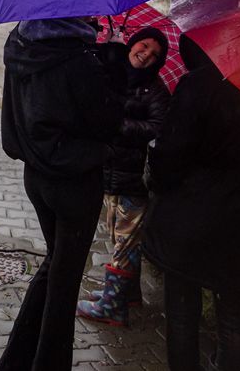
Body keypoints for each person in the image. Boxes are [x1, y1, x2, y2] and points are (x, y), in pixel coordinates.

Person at [141, 36, 240, 371]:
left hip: (193, 212)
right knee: (234, 314)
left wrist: (157, 181)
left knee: (183, 312)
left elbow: (170, 155)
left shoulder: (199, 84)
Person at [0, 16, 124, 371]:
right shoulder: (79, 60)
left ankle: (15, 360)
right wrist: (113, 63)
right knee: (65, 282)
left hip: (36, 176)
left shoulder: (19, 46)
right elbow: (107, 121)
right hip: (74, 181)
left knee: (55, 264)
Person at [77, 27, 171, 327]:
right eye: (143, 46)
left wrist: (120, 125)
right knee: (119, 237)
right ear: (131, 44)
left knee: (124, 243)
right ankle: (125, 295)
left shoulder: (155, 91)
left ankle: (113, 308)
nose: (146, 55)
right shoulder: (114, 76)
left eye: (154, 54)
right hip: (110, 173)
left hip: (134, 179)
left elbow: (158, 128)